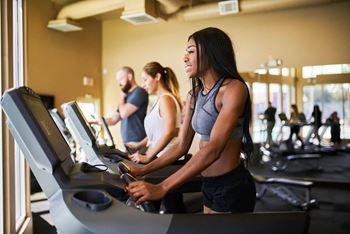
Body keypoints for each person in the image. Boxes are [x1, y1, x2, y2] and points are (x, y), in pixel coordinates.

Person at [126, 27, 256, 214]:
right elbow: (181, 146)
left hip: (231, 185)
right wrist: (142, 170)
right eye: (185, 52)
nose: (185, 58)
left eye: (191, 51)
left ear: (211, 53)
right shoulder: (194, 95)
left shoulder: (233, 89)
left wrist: (162, 187)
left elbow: (214, 148)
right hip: (208, 183)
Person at [127, 62, 182, 164]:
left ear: (157, 76)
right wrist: (139, 145)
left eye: (145, 79)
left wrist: (148, 156)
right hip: (159, 156)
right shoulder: (161, 99)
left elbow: (169, 132)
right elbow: (158, 130)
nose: (143, 85)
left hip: (166, 158)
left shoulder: (166, 99)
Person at [100, 66, 148, 145]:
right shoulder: (126, 96)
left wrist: (121, 96)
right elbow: (113, 120)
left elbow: (124, 113)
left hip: (137, 141)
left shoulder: (139, 92)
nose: (119, 83)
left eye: (121, 79)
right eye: (118, 81)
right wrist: (97, 122)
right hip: (126, 142)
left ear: (129, 76)